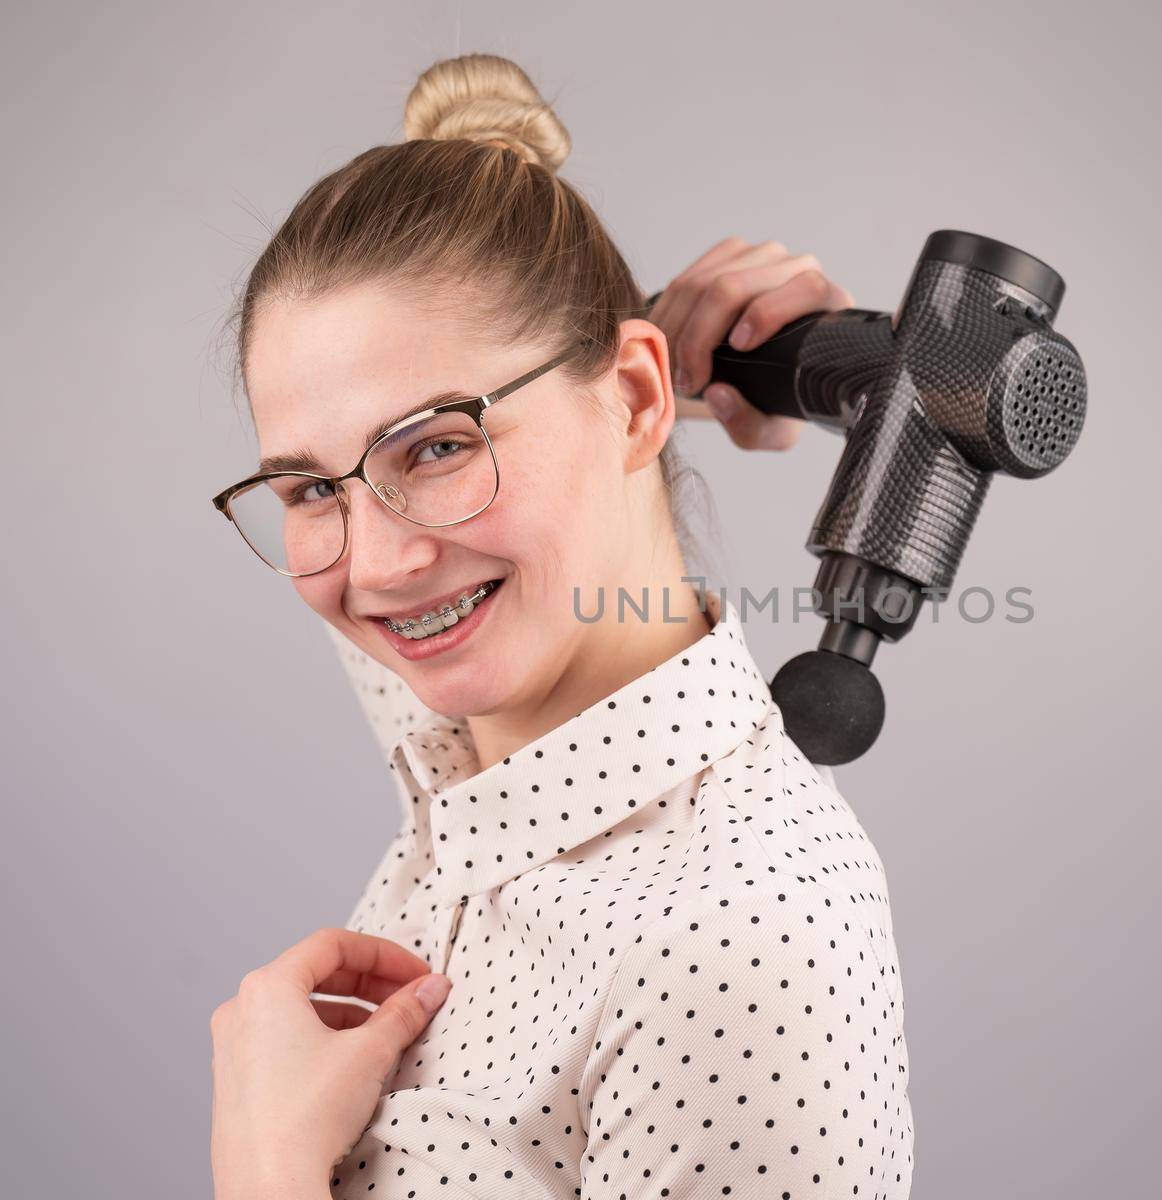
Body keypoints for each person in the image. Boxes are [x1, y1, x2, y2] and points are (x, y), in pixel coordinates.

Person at [206, 52, 913, 1200]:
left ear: (637, 399)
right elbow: (398, 573)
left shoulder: (738, 946)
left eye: (435, 446)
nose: (375, 566)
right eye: (307, 489)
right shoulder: (479, 731)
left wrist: (266, 1165)